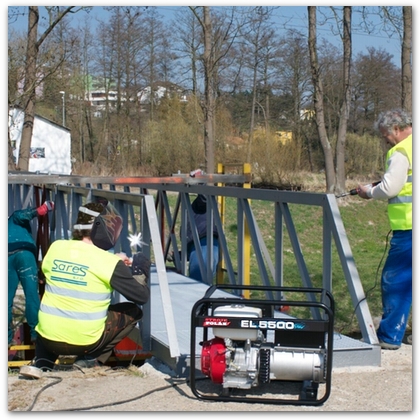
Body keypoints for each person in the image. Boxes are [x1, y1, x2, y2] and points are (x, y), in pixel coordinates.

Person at [34, 201, 151, 370]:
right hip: (86, 342)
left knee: (51, 313)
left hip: (48, 339)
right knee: (133, 312)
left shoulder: (55, 248)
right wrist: (140, 270)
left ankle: (42, 363)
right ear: (102, 228)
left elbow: (75, 264)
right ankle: (89, 360)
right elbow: (141, 296)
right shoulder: (109, 262)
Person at [357, 108, 412, 350]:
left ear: (397, 130)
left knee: (396, 281)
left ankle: (389, 336)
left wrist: (369, 191)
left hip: (409, 228)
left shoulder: (401, 151)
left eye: (385, 135)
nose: (385, 140)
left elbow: (390, 189)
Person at [8, 201, 54, 347]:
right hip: (24, 254)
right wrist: (44, 208)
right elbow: (23, 215)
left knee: (6, 300)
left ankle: (6, 338)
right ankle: (35, 332)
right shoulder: (14, 218)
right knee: (31, 296)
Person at [185, 193, 220, 283]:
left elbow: (205, 195)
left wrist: (199, 181)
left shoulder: (201, 203)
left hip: (204, 242)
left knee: (197, 284)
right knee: (200, 283)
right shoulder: (197, 206)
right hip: (200, 244)